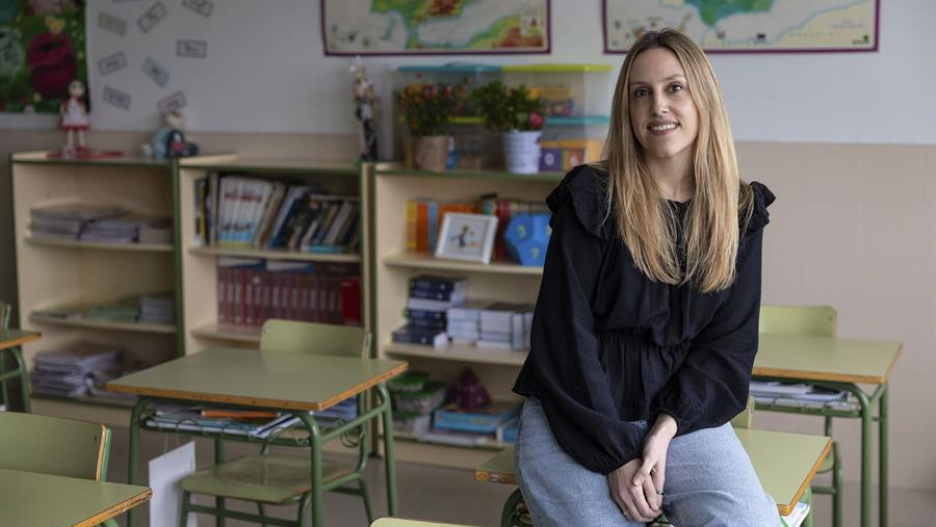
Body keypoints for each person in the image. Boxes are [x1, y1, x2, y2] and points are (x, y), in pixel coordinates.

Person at [512, 28, 778, 526]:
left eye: (674, 88)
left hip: (681, 420)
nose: (658, 106)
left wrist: (664, 430)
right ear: (627, 110)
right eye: (641, 92)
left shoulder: (740, 213)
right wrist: (615, 451)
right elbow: (564, 337)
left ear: (703, 99)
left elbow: (729, 347)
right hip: (576, 414)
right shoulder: (591, 197)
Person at [60, 79, 89, 156]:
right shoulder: (67, 102)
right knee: (70, 131)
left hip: (78, 118)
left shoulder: (80, 102)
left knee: (80, 131)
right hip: (70, 118)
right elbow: (62, 109)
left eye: (80, 87)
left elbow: (83, 110)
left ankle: (82, 144)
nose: (77, 90)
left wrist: (83, 114)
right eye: (74, 87)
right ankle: (70, 145)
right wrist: (63, 113)